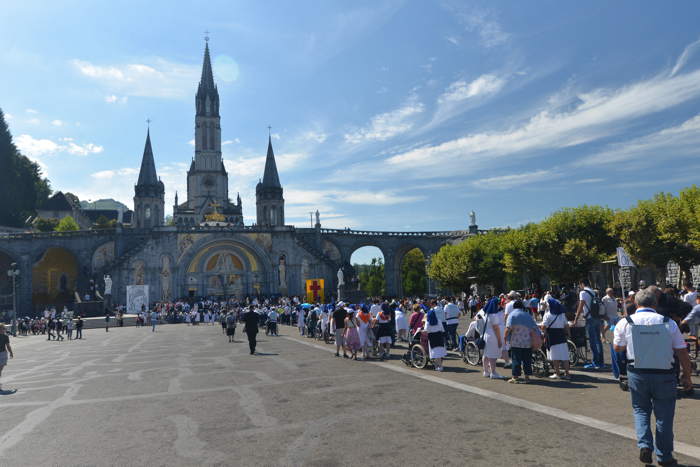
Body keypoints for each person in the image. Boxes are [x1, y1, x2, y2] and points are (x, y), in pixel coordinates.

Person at [613, 286, 693, 467]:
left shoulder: (626, 322)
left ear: (635, 302)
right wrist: (686, 375)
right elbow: (681, 352)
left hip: (637, 372)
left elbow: (618, 348)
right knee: (664, 415)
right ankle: (664, 456)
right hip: (664, 373)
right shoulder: (668, 322)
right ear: (655, 303)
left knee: (640, 410)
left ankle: (645, 445)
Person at [504, 300, 539, 383]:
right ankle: (527, 378)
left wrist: (505, 337)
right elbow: (534, 328)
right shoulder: (527, 315)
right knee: (527, 360)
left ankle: (515, 377)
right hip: (527, 342)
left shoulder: (512, 315)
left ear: (514, 307)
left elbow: (508, 328)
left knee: (516, 359)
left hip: (516, 341)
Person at [573, 279, 604, 369]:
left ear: (582, 284)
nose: (579, 287)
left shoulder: (583, 292)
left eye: (580, 285)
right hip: (597, 317)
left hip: (590, 318)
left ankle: (595, 362)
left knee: (592, 341)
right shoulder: (593, 291)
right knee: (598, 340)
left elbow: (581, 305)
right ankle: (601, 362)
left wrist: (576, 318)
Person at [541, 298, 571, 379]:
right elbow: (566, 325)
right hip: (561, 335)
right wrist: (568, 334)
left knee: (555, 357)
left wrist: (543, 333)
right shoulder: (561, 314)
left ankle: (557, 373)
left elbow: (544, 326)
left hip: (552, 336)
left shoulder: (547, 315)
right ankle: (567, 374)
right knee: (564, 356)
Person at [481, 297, 505, 380]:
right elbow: (496, 328)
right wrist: (499, 340)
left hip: (486, 335)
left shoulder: (486, 313)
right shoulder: (493, 315)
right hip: (493, 337)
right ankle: (493, 372)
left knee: (486, 354)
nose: (499, 306)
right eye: (498, 304)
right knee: (493, 356)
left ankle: (486, 371)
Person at [424, 305, 446, 371]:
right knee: (440, 352)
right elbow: (442, 330)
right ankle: (438, 365)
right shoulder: (439, 321)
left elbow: (426, 330)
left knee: (435, 353)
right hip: (439, 337)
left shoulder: (427, 323)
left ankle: (438, 366)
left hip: (432, 338)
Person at [0, 324, 14, 390]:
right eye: (3, 328)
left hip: (3, 353)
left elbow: (8, 346)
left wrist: (11, 352)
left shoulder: (5, 336)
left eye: (4, 328)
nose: (4, 330)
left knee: (1, 369)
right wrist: (11, 353)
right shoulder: (5, 336)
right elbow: (8, 346)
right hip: (2, 354)